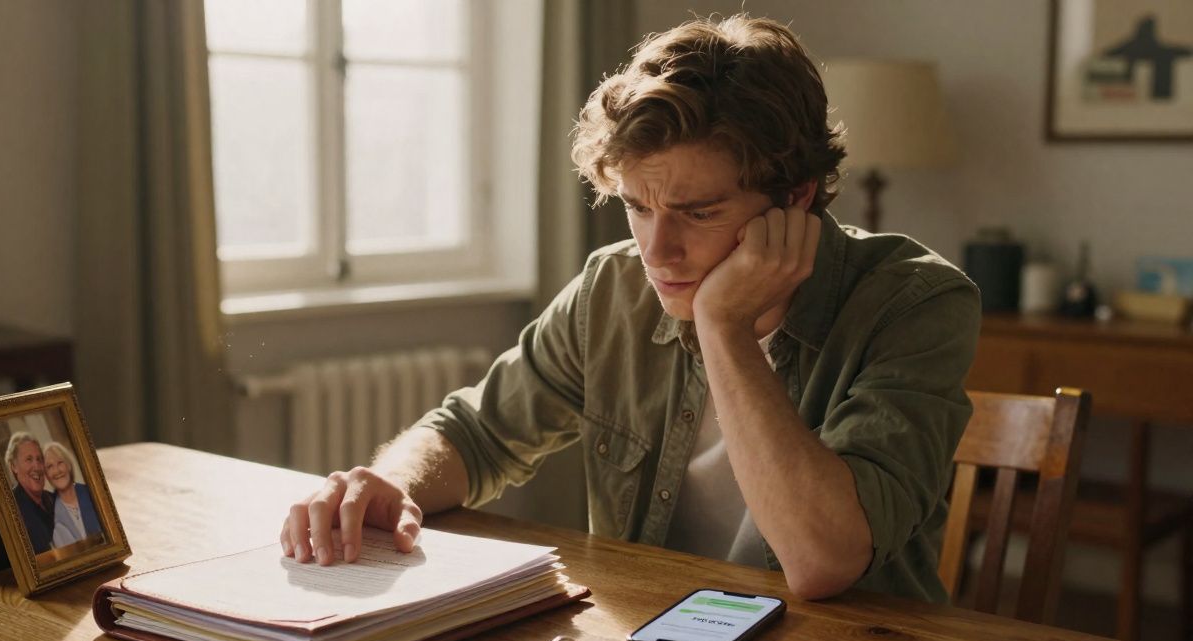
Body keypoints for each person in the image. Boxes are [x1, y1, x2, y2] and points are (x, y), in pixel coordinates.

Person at [279, 15, 980, 602]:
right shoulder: (611, 288)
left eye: (699, 213)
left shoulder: (915, 304)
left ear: (796, 197)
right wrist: (393, 484)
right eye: (637, 208)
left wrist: (724, 327)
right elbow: (476, 433)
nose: (657, 250)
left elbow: (824, 560)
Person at [43, 441, 103, 548]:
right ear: (46, 475)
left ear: (69, 465)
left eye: (60, 462)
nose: (57, 471)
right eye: (50, 467)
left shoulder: (92, 494)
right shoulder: (49, 514)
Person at [5, 432, 54, 554]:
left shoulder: (53, 499)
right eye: (29, 459)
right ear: (14, 467)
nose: (36, 466)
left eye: (39, 459)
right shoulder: (11, 509)